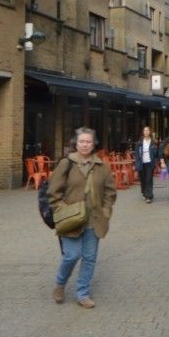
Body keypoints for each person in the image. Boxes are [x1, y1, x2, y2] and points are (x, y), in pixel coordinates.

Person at [47, 127, 116, 308]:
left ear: (94, 144)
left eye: (88, 142)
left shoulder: (102, 166)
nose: (85, 145)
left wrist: (106, 212)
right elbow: (53, 192)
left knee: (90, 257)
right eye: (81, 141)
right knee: (71, 255)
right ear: (76, 144)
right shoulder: (66, 163)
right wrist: (62, 209)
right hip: (71, 218)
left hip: (94, 218)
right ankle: (60, 283)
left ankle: (82, 293)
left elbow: (110, 192)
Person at [134, 125, 158, 204]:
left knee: (149, 179)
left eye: (148, 130)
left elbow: (156, 154)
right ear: (143, 132)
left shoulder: (153, 142)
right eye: (145, 130)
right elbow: (137, 154)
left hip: (150, 163)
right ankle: (144, 192)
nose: (146, 132)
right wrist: (136, 164)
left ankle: (149, 196)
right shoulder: (139, 142)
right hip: (142, 163)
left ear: (150, 132)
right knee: (143, 180)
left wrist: (157, 162)